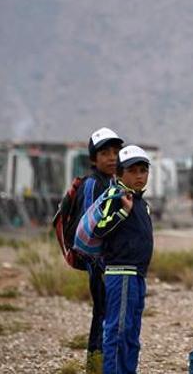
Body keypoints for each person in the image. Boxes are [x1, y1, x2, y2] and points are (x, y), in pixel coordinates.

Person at [92, 145, 154, 374]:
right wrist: (122, 212)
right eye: (133, 171)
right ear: (119, 174)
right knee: (118, 332)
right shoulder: (117, 196)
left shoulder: (141, 202)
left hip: (137, 275)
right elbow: (99, 229)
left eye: (143, 170)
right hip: (121, 273)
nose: (139, 176)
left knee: (131, 333)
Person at [75, 127, 124, 365]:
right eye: (105, 153)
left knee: (107, 314)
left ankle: (102, 362)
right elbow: (91, 225)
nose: (112, 157)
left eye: (116, 152)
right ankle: (95, 363)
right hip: (100, 264)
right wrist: (100, 263)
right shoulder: (94, 185)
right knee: (102, 314)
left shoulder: (111, 181)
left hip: (109, 263)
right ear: (94, 158)